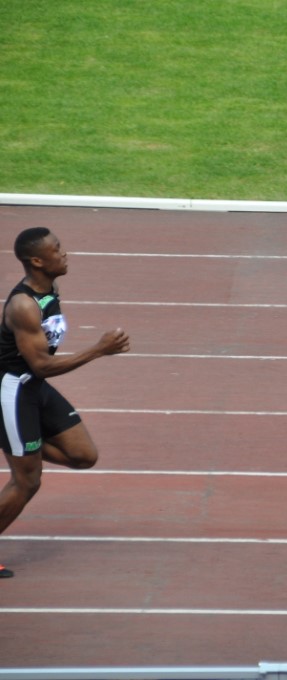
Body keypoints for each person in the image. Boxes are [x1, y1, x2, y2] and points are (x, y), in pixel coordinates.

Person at [0, 227, 130, 578]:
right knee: (27, 481)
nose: (64, 253)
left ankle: (17, 441)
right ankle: (16, 442)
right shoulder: (23, 306)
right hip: (14, 391)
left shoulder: (50, 290)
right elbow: (41, 364)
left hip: (34, 388)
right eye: (56, 249)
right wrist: (98, 350)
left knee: (83, 455)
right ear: (37, 261)